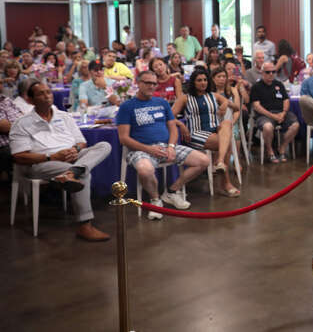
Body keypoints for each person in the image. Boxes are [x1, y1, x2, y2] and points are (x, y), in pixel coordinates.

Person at [10, 81, 112, 241]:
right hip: (42, 163)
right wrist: (52, 156)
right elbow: (19, 156)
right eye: (41, 94)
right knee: (83, 174)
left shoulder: (64, 116)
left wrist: (75, 150)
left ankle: (72, 172)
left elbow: (81, 142)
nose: (47, 96)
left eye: (48, 92)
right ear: (30, 100)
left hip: (71, 156)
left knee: (104, 145)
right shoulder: (21, 123)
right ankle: (85, 225)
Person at [117, 70, 210, 220]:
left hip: (166, 146)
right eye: (147, 83)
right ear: (138, 83)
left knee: (203, 161)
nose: (151, 86)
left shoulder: (162, 102)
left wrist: (171, 147)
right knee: (145, 170)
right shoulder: (127, 107)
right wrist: (149, 149)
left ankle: (172, 191)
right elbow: (124, 138)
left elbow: (173, 128)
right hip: (140, 149)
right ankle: (155, 200)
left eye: (154, 83)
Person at [172, 69, 239, 197]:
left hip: (214, 129)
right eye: (199, 80)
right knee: (225, 143)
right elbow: (169, 116)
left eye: (205, 80)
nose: (203, 83)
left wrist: (225, 103)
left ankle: (219, 161)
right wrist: (181, 125)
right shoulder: (185, 98)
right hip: (196, 133)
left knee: (227, 124)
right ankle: (225, 182)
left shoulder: (214, 95)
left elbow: (236, 108)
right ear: (193, 82)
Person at [250, 62, 300, 163]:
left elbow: (286, 100)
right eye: (268, 72)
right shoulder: (256, 86)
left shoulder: (279, 84)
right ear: (262, 72)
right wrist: (272, 116)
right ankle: (269, 150)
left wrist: (284, 113)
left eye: (273, 72)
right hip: (264, 115)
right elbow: (256, 106)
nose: (271, 74)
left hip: (281, 113)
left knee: (296, 125)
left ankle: (282, 147)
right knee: (268, 127)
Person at [210, 67, 245, 166]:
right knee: (217, 133)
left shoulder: (232, 90)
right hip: (215, 122)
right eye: (219, 76)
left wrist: (233, 122)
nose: (222, 79)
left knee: (233, 132)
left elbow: (237, 109)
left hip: (232, 120)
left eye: (224, 76)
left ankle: (235, 160)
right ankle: (216, 160)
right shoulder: (210, 93)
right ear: (213, 78)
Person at [0, 92, 23, 181]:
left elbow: (23, 116)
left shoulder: (6, 99)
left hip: (20, 138)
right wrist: (22, 125)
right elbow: (4, 127)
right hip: (5, 145)